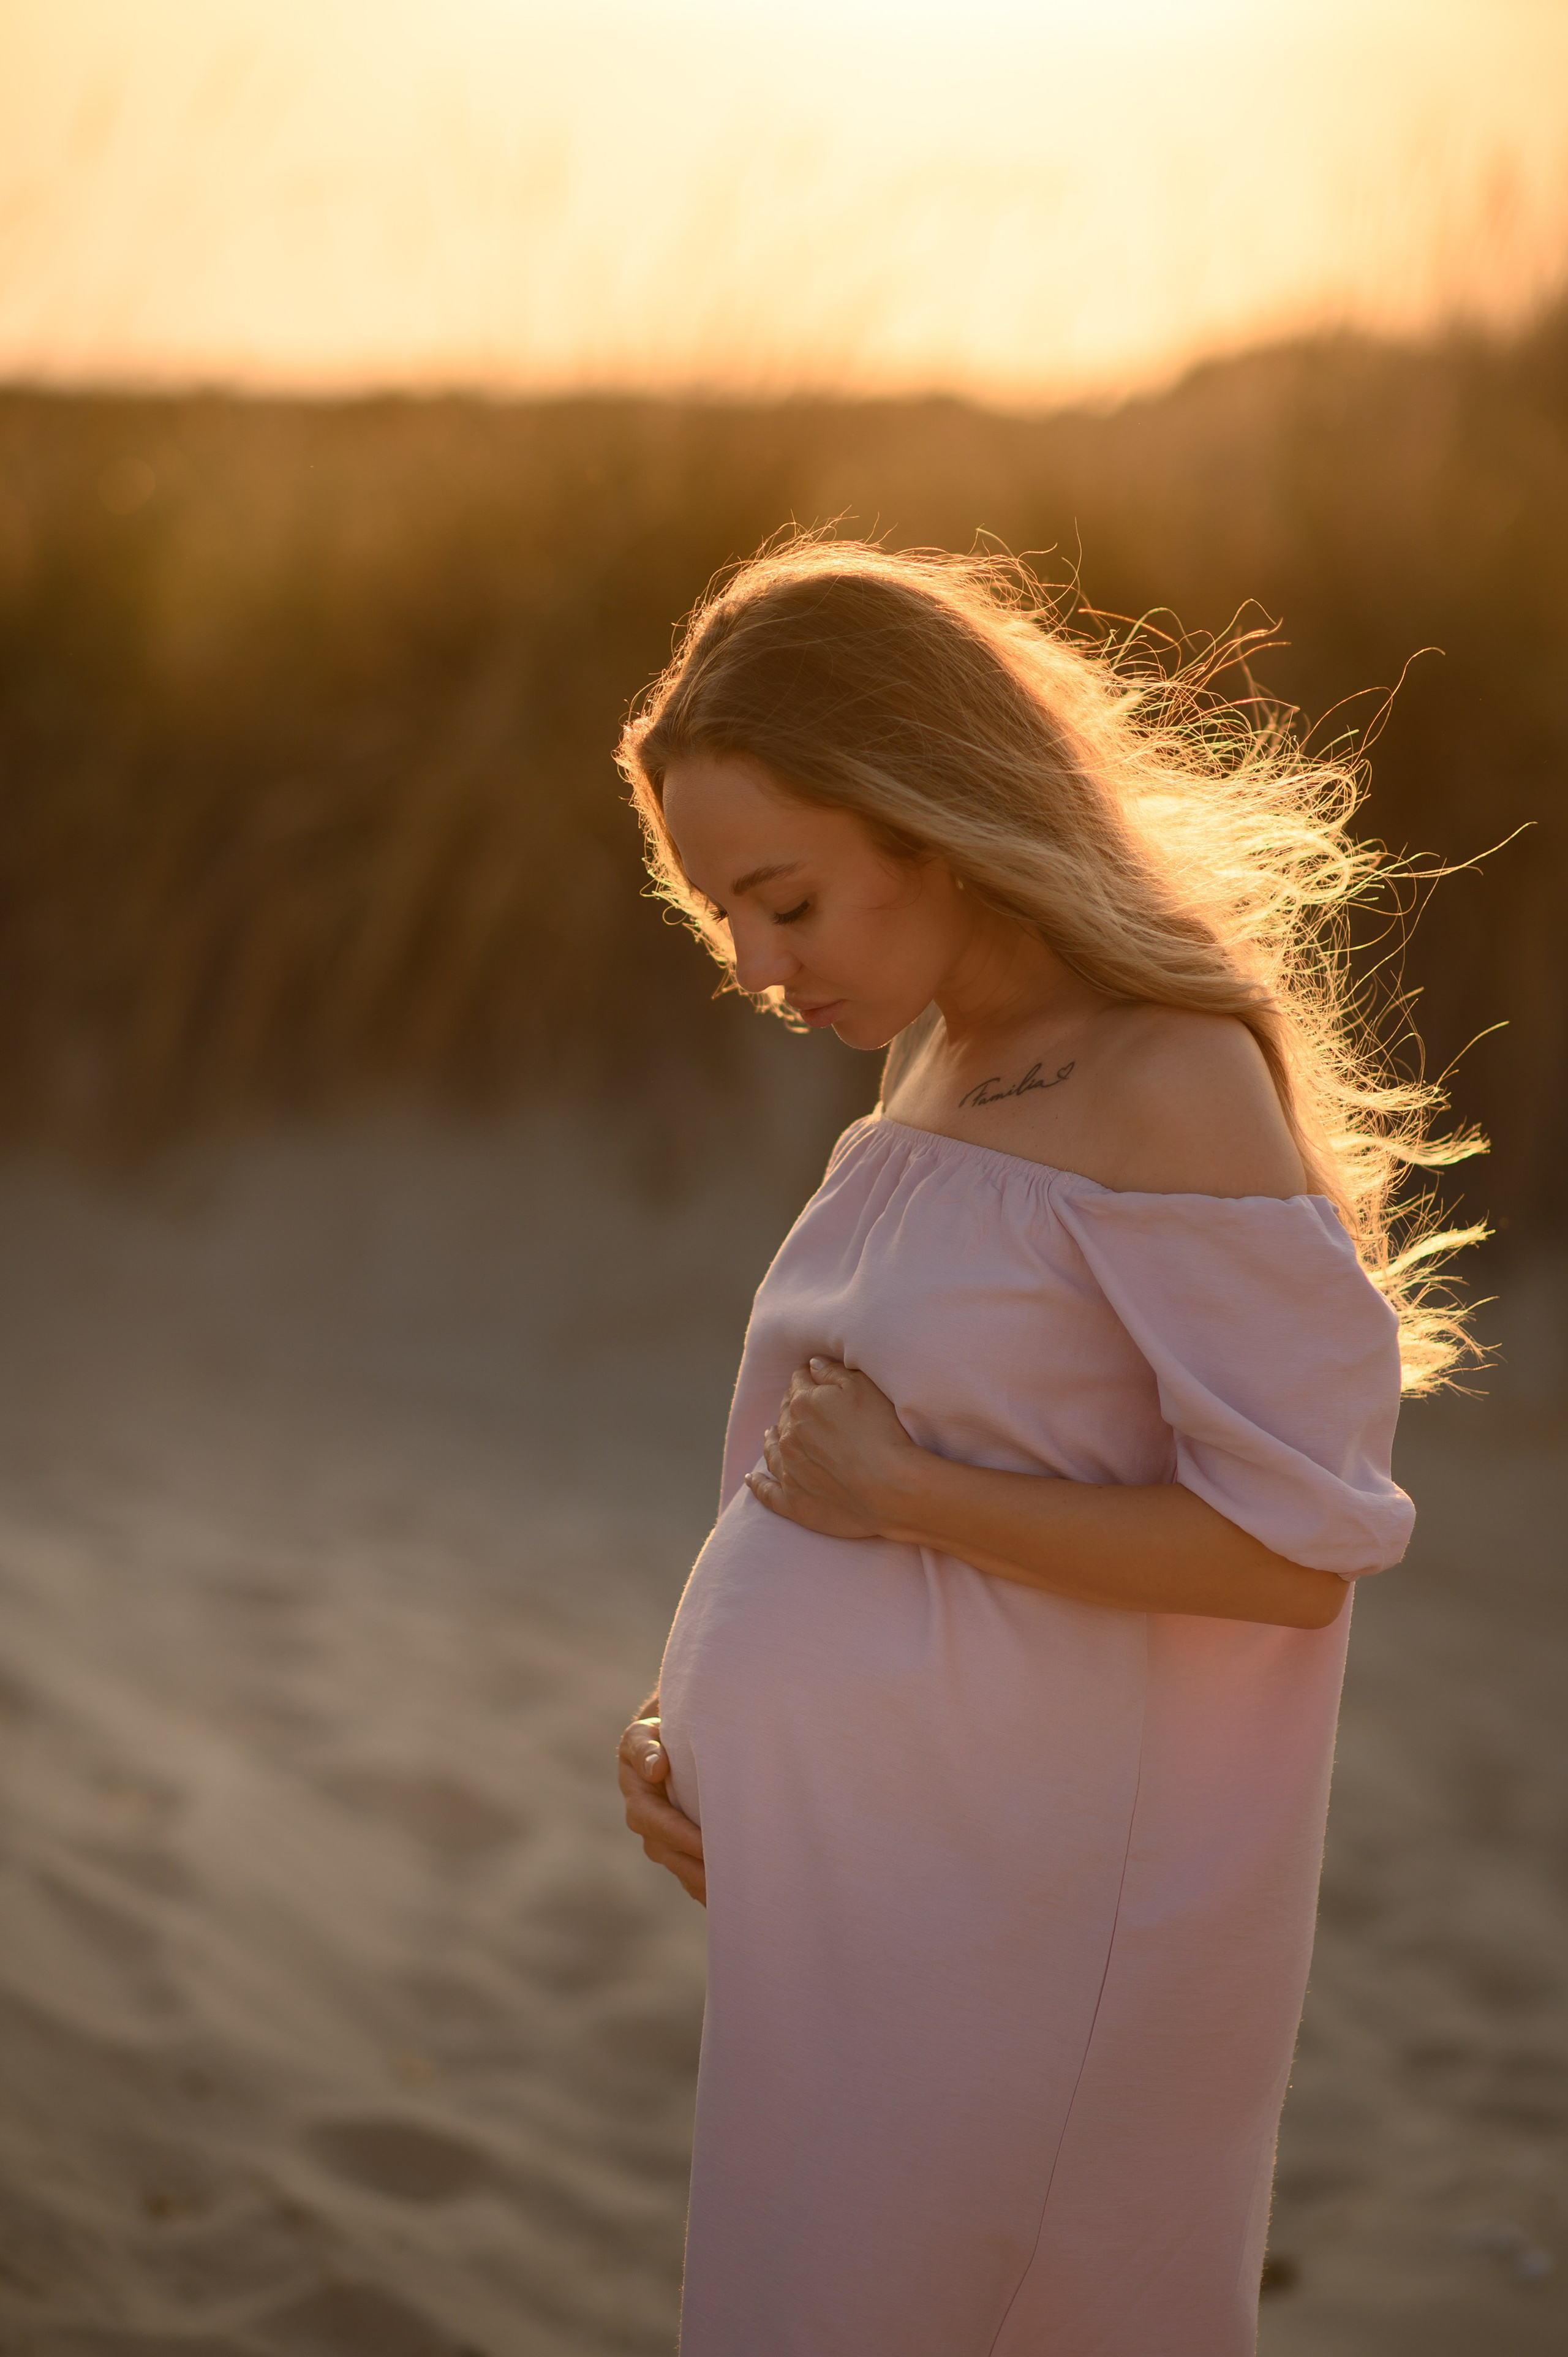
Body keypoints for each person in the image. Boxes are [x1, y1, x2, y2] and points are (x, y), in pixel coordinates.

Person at [612, 541, 1477, 2356]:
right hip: (872, 1909)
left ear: (930, 824)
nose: (759, 968)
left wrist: (908, 1500)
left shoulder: (1165, 1077)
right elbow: (819, 1480)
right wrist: (696, 1741)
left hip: (1033, 1925)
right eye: (721, 921)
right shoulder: (935, 1057)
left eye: (788, 900)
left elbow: (1293, 1552)